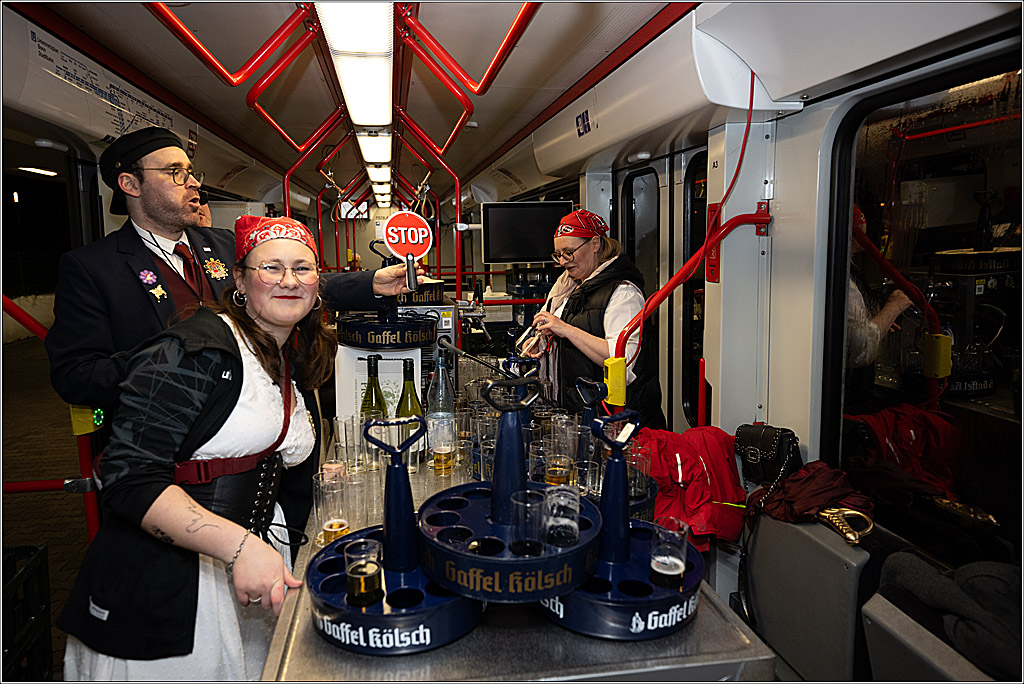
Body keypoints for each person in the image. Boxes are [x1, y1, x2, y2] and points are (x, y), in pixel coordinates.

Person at [43, 127, 421, 542]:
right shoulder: (93, 268)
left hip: (264, 465)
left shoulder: (221, 245)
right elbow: (75, 374)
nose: (193, 183)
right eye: (174, 172)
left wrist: (370, 284)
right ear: (129, 184)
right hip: (178, 470)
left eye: (191, 171)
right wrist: (175, 371)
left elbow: (283, 285)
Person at [59, 216, 336, 680]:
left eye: (302, 268)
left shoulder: (282, 348)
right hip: (174, 583)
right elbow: (128, 479)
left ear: (317, 287)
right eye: (272, 267)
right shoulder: (194, 352)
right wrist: (239, 546)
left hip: (251, 565)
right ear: (242, 281)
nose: (290, 280)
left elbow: (246, 447)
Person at [522, 209, 666, 429]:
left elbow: (622, 360)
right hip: (581, 413)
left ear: (595, 244)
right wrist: (542, 345)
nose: (562, 261)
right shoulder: (569, 287)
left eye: (569, 252)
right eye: (558, 255)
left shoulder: (624, 294)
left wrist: (566, 329)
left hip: (618, 421)